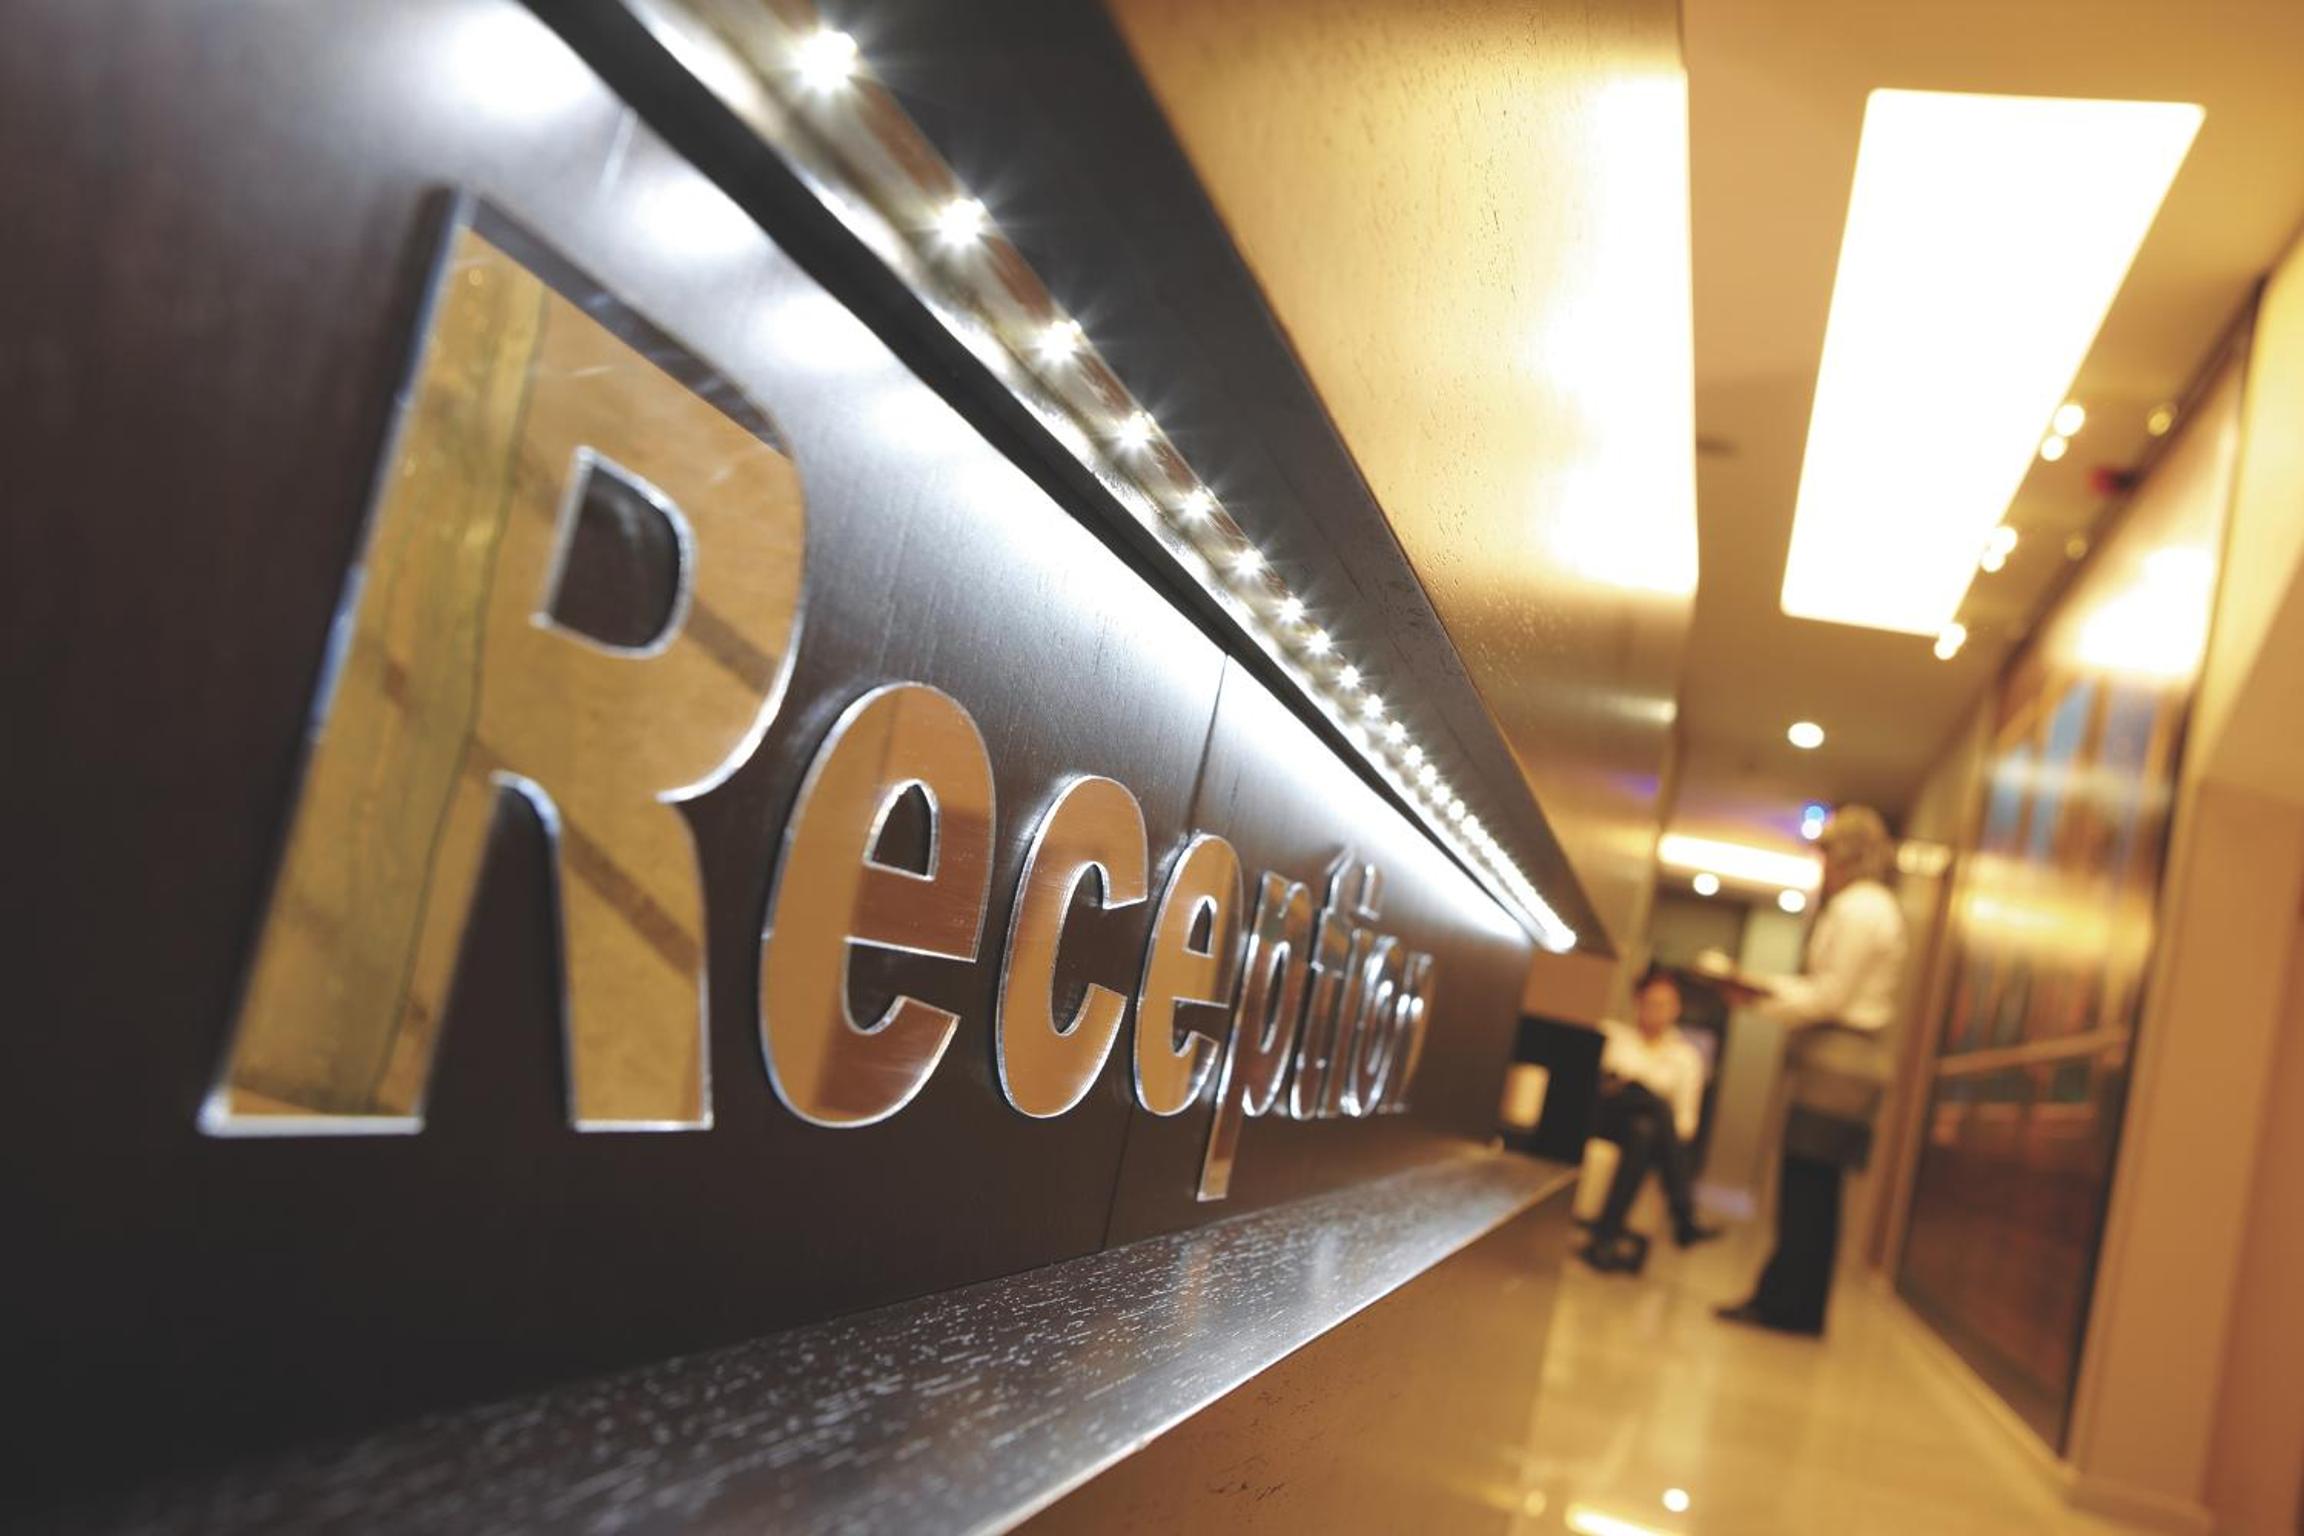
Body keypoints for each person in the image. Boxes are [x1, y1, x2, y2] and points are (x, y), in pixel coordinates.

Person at [1717, 804, 1907, 1336]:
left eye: (1827, 856)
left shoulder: (1858, 910)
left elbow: (1830, 996)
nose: (1823, 867)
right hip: (1847, 1061)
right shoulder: (1876, 908)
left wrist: (1757, 994)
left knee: (1807, 1189)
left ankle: (1787, 1304)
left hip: (1838, 1062)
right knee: (1817, 1190)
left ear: (1844, 857)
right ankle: (1794, 1302)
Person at [1579, 969, 1718, 1273]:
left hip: (1647, 1137)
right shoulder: (1614, 1036)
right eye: (1651, 1003)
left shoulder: (1686, 1058)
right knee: (1649, 1103)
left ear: (1676, 1008)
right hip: (1606, 1120)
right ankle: (1683, 1213)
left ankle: (1604, 1239)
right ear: (1638, 1002)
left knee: (1644, 1129)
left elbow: (1686, 1123)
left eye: (1664, 1004)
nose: (1657, 1011)